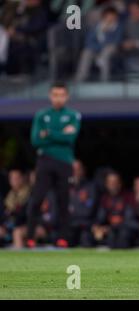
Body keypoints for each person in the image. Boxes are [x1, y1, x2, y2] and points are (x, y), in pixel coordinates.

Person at [27, 82, 81, 248]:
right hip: (45, 161)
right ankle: (30, 237)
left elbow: (70, 138)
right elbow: (35, 140)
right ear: (50, 96)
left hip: (64, 162)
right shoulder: (41, 115)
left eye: (61, 95)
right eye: (55, 95)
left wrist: (48, 133)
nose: (58, 98)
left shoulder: (73, 115)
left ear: (67, 97)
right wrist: (61, 133)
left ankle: (62, 238)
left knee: (63, 201)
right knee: (37, 199)